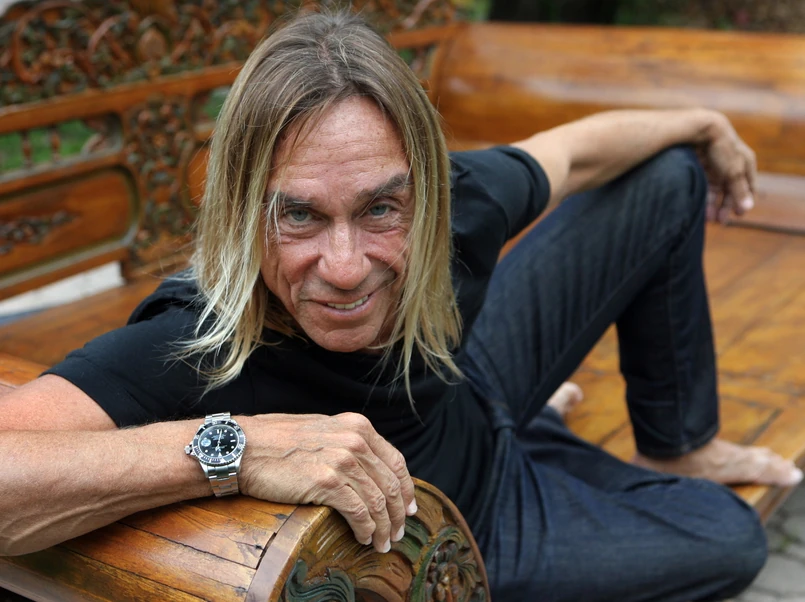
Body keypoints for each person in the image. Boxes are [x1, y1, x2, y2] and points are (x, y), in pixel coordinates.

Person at [1, 10, 801, 602]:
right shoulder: (192, 341)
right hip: (459, 517)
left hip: (465, 377)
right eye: (298, 215)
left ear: (423, 190)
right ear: (243, 213)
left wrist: (701, 122)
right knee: (727, 537)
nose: (345, 268)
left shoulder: (456, 205)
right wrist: (237, 448)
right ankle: (542, 438)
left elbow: (575, 152)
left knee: (664, 174)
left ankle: (674, 443)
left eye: (380, 208)